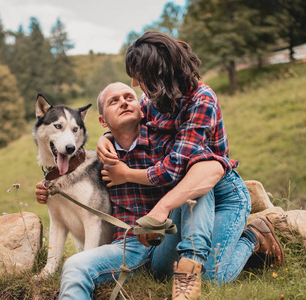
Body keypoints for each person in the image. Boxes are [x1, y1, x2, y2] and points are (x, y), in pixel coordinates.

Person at [96, 31, 284, 299]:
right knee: (161, 272)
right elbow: (132, 125)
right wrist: (106, 138)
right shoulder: (151, 99)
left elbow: (176, 168)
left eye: (140, 75)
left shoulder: (201, 100)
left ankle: (254, 236)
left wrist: (127, 175)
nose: (135, 83)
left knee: (212, 280)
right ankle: (196, 259)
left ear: (158, 74)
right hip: (181, 196)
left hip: (220, 194)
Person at [36, 82, 225, 299]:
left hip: (165, 239)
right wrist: (47, 185)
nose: (123, 102)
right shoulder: (102, 156)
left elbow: (206, 171)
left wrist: (127, 175)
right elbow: (72, 176)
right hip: (126, 246)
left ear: (141, 109)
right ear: (102, 121)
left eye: (129, 97)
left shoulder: (169, 142)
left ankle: (192, 270)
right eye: (113, 101)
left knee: (195, 176)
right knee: (75, 265)